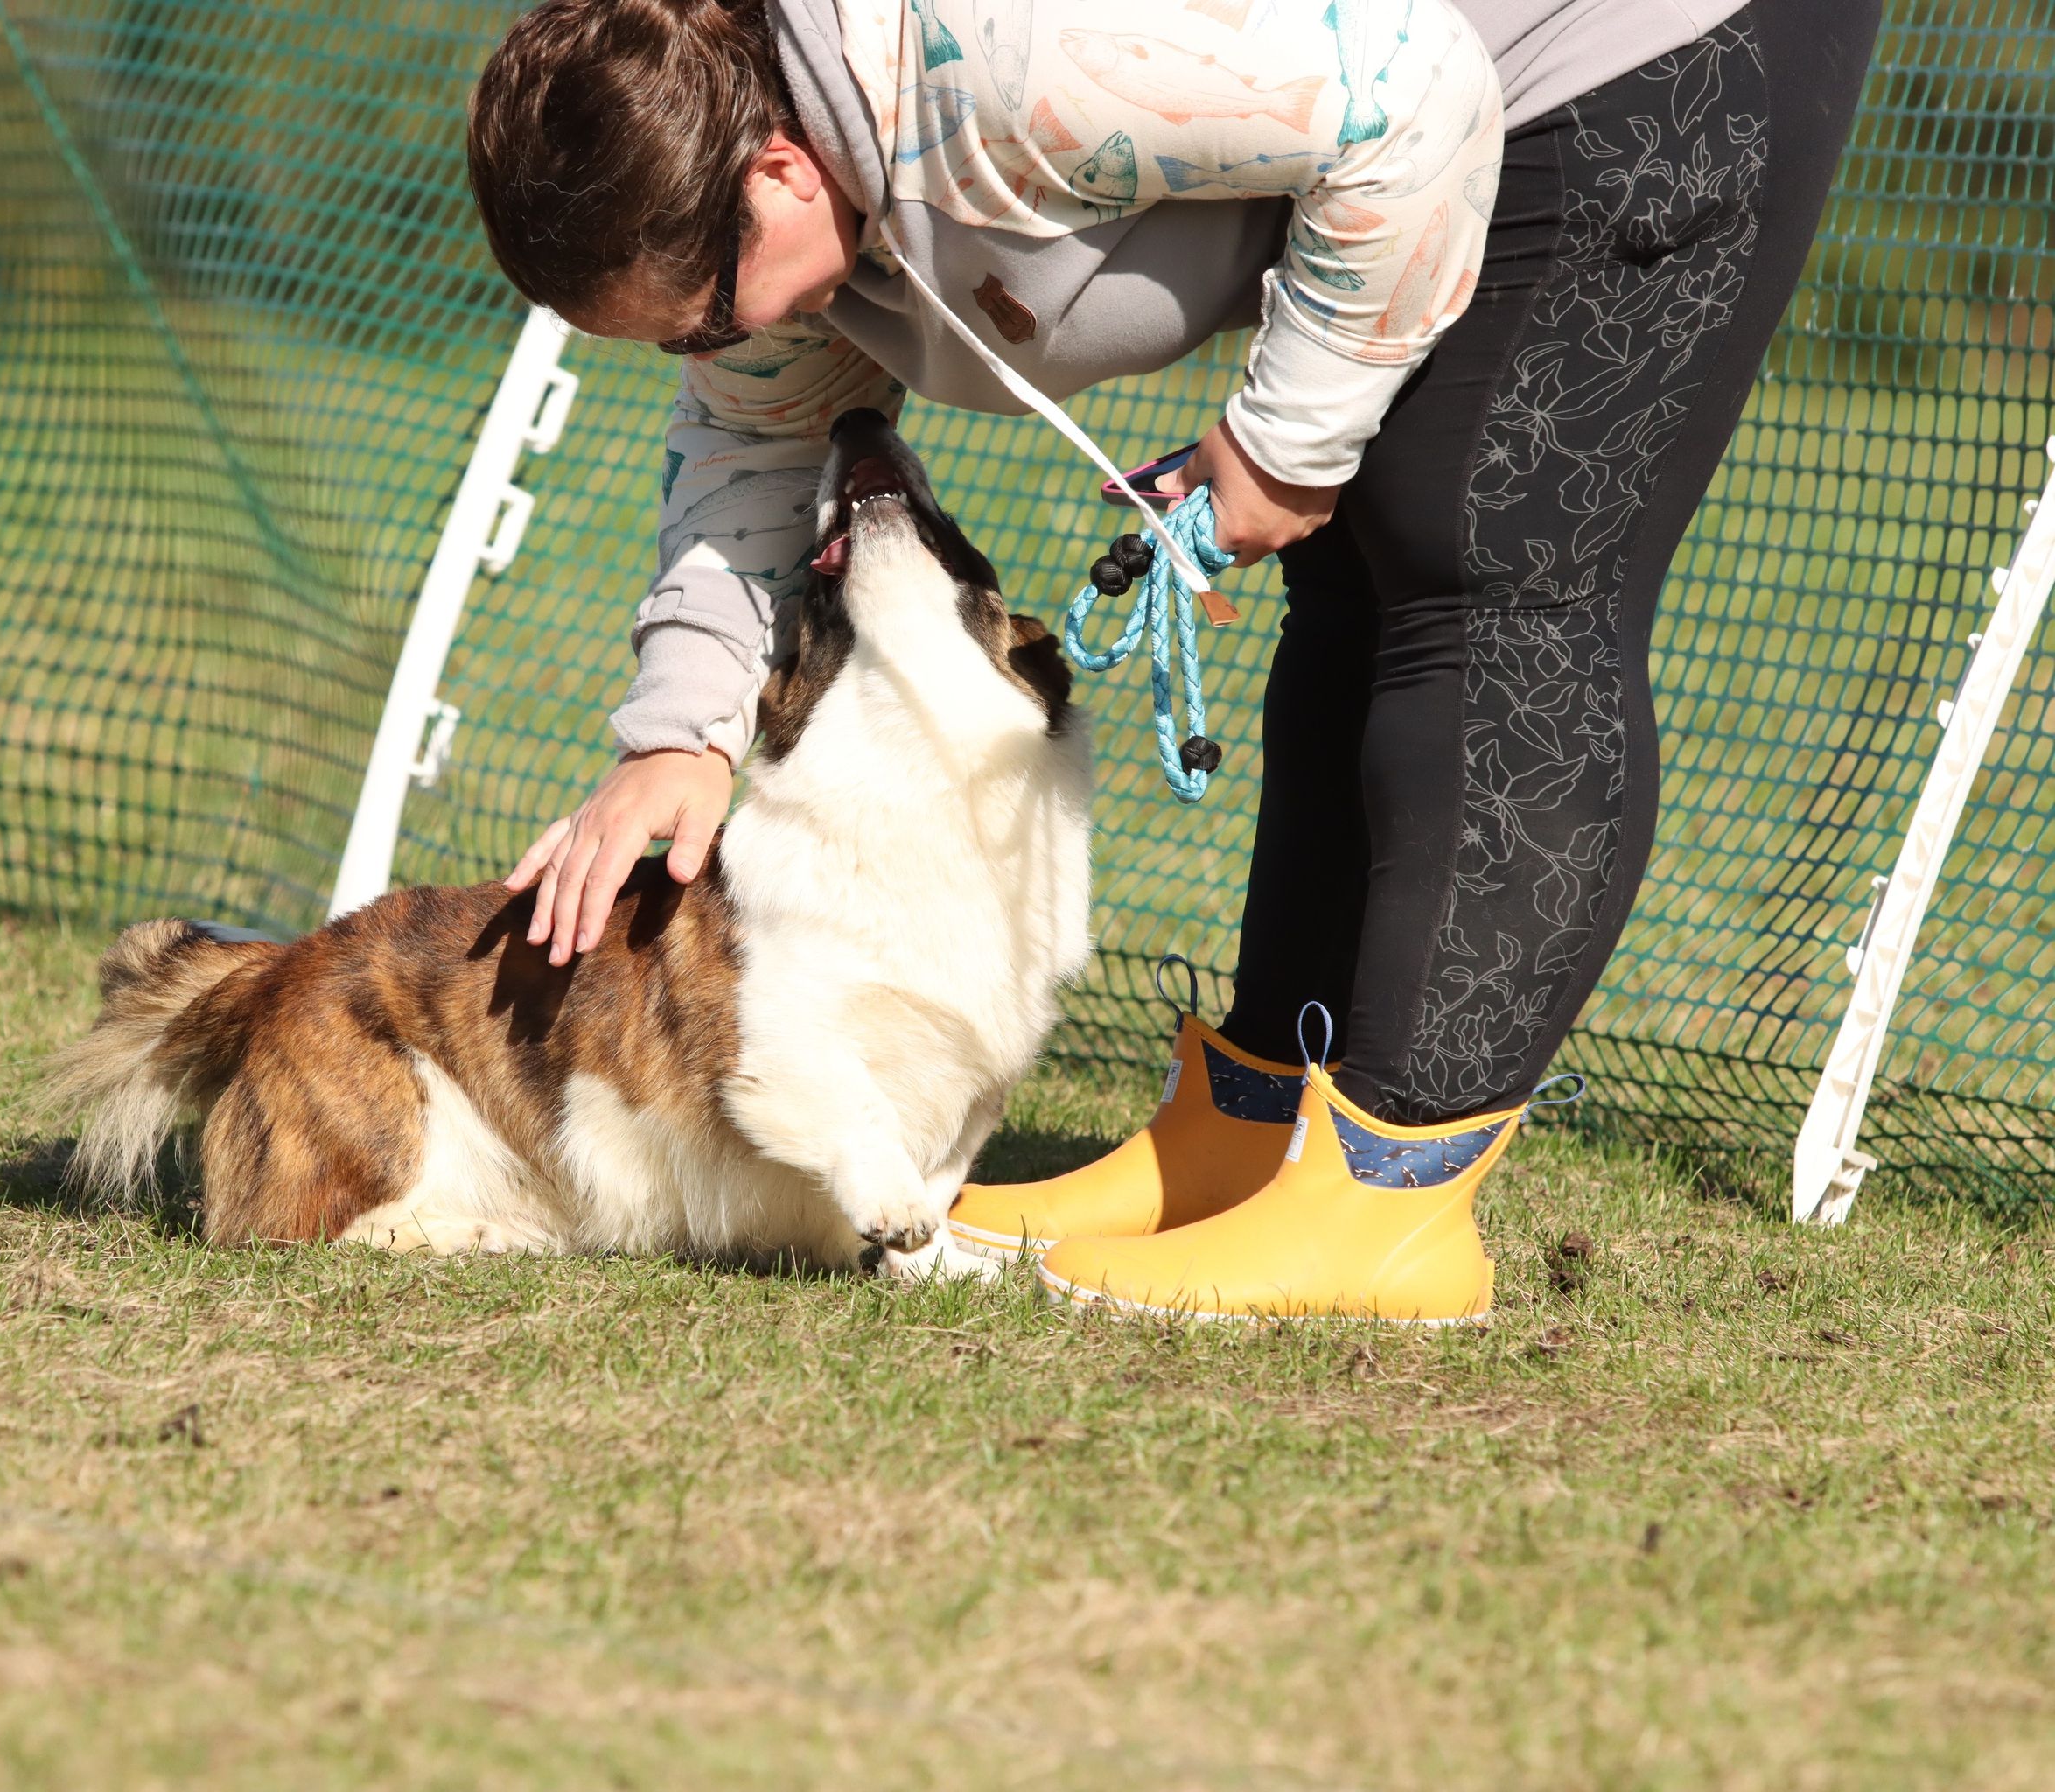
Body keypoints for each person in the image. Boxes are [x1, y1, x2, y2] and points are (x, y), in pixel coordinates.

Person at [463, 0, 1879, 1320]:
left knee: (1475, 564)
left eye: (709, 316)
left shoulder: (999, 62)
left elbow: (1411, 95)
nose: (728, 344)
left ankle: (1390, 1207)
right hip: (1430, 90)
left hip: (1629, 52)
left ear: (779, 171)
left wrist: (1285, 443)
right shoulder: (783, 156)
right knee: (1356, 572)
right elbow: (753, 436)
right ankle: (1250, 1133)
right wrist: (680, 731)